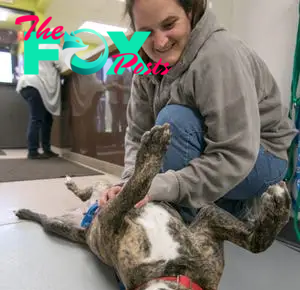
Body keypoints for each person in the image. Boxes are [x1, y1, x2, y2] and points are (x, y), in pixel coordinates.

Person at [99, 0, 297, 224]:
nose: (160, 41)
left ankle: (200, 218)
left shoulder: (218, 55)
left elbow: (235, 154)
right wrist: (128, 185)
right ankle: (218, 205)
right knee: (162, 134)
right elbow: (138, 137)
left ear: (191, 12)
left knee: (173, 122)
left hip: (261, 159)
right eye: (146, 32)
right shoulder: (142, 67)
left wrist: (162, 186)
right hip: (215, 152)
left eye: (169, 24)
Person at [16, 36, 65, 159]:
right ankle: (32, 151)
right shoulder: (54, 47)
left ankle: (46, 149)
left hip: (26, 85)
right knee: (37, 118)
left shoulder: (35, 46)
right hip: (37, 86)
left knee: (47, 118)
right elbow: (62, 66)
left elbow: (30, 68)